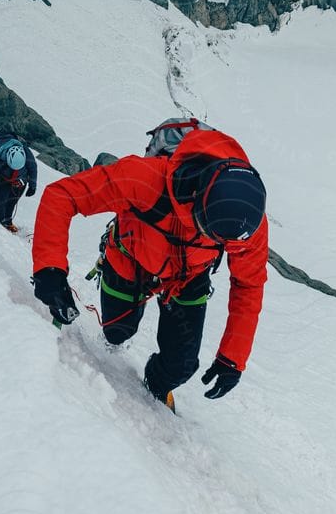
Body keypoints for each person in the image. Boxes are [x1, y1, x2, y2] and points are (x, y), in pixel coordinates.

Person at [30, 126, 267, 411]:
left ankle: (156, 387)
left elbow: (248, 285)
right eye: (211, 233)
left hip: (187, 278)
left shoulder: (245, 225)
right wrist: (50, 270)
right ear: (197, 200)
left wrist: (232, 358)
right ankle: (123, 327)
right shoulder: (144, 178)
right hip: (129, 260)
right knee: (117, 332)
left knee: (180, 368)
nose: (219, 243)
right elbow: (63, 196)